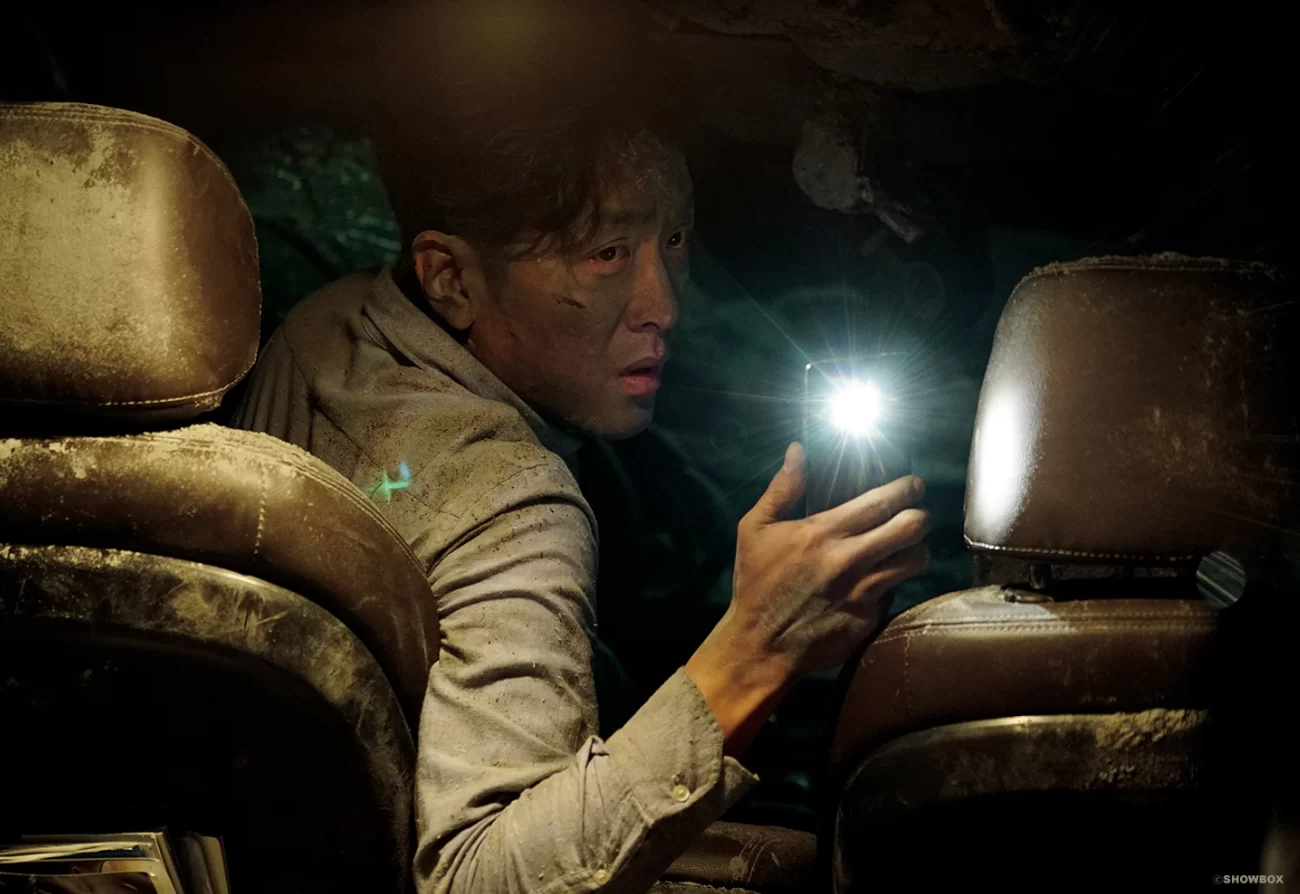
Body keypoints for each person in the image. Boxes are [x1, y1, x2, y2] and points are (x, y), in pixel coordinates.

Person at [233, 2, 931, 890]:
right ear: (449, 278)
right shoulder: (513, 503)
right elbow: (475, 877)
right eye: (605, 253)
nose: (664, 305)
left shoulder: (323, 329)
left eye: (672, 238)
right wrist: (756, 649)